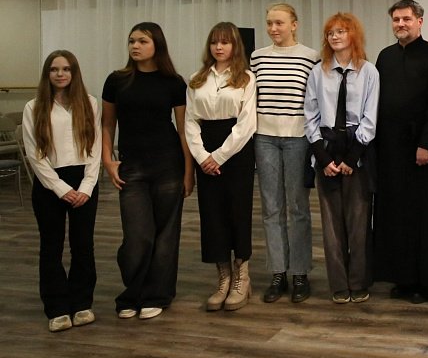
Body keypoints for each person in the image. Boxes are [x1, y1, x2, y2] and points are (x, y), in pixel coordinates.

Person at [102, 22, 194, 320]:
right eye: (132, 41)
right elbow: (107, 124)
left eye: (142, 41)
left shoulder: (174, 82)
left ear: (157, 45)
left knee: (166, 235)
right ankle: (133, 292)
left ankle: (158, 294)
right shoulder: (116, 80)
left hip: (168, 164)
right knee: (137, 236)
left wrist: (188, 171)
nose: (135, 46)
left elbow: (183, 130)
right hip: (132, 166)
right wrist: (107, 160)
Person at [373, 0, 428, 303]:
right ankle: (401, 277)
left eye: (406, 19)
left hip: (421, 151)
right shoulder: (385, 57)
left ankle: (424, 280)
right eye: (396, 20)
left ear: (420, 21)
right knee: (395, 214)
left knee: (422, 215)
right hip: (390, 150)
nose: (401, 24)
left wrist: (427, 144)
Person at [22, 51, 101, 332]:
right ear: (47, 74)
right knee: (51, 246)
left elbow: (95, 148)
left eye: (66, 69)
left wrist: (87, 186)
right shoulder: (33, 107)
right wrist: (60, 188)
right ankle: (56, 308)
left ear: (74, 73)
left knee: (83, 245)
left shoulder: (89, 103)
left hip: (84, 182)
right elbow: (34, 153)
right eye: (54, 69)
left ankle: (82, 303)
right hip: (49, 184)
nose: (60, 74)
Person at [304, 13, 379, 303]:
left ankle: (358, 281)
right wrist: (323, 159)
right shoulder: (317, 72)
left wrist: (352, 158)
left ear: (353, 35)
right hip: (326, 149)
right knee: (331, 225)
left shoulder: (368, 72)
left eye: (341, 31)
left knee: (358, 222)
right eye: (330, 33)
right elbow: (310, 116)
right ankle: (338, 284)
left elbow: (370, 119)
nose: (335, 37)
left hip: (357, 150)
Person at [251, 3, 320, 304]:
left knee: (298, 207)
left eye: (279, 23)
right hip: (264, 138)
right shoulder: (257, 57)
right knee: (271, 207)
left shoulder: (310, 57)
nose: (273, 28)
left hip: (297, 138)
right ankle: (278, 271)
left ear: (294, 24)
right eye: (269, 23)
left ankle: (300, 272)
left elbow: (315, 100)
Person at [186, 22, 256, 311]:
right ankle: (223, 278)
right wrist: (203, 156)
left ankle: (242, 277)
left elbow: (247, 123)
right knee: (212, 215)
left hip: (236, 151)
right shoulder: (197, 79)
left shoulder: (246, 77)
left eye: (225, 42)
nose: (219, 47)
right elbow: (190, 121)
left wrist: (220, 156)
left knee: (238, 211)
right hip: (205, 150)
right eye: (215, 42)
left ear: (234, 45)